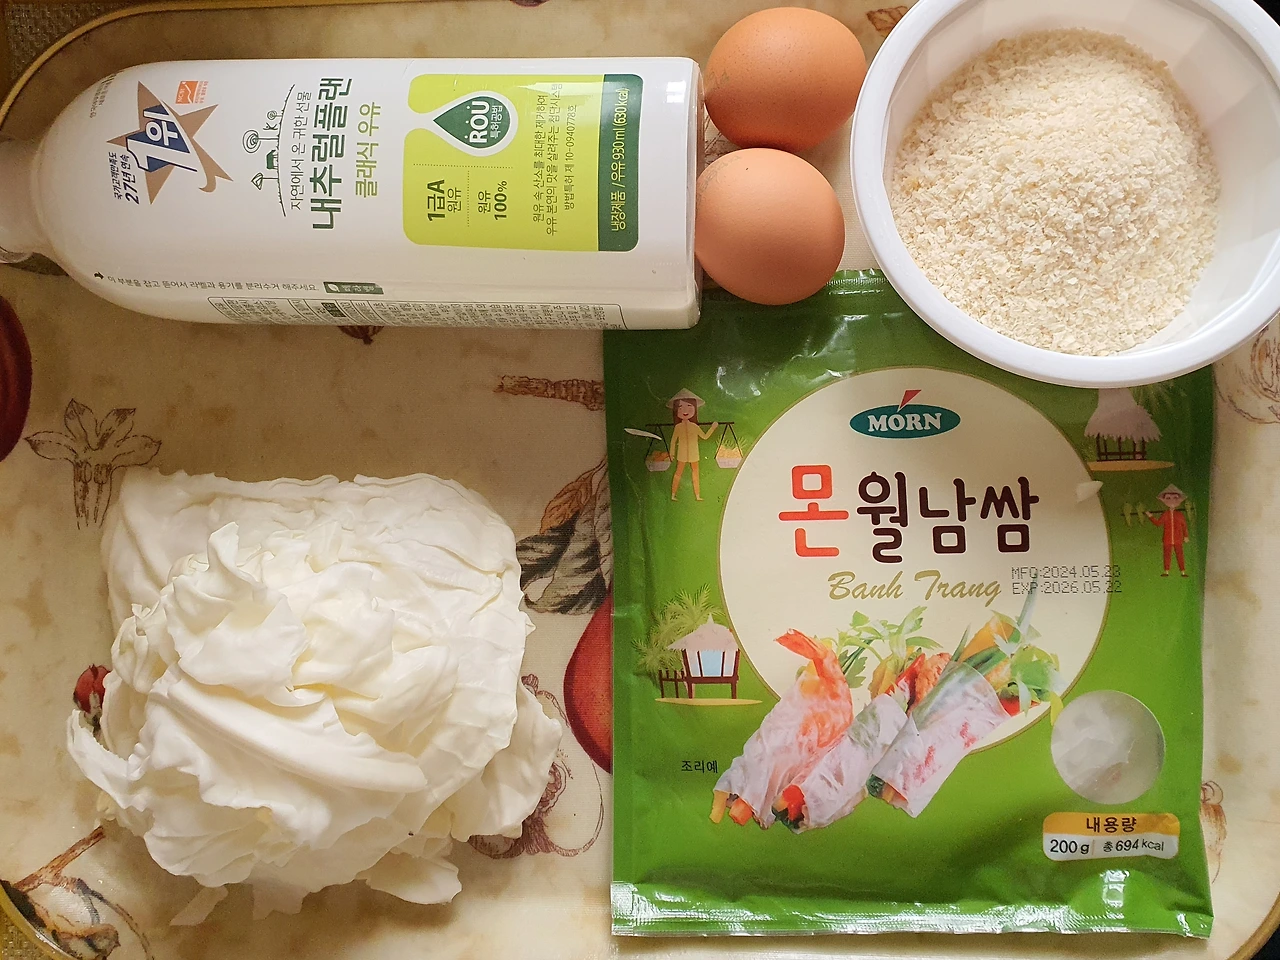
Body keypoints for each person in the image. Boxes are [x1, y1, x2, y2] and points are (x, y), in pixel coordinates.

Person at [668, 389, 718, 502]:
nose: (685, 411)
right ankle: (673, 494)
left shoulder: (694, 427)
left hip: (694, 453)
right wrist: (672, 453)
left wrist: (712, 428)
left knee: (695, 473)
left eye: (689, 406)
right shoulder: (678, 427)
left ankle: (697, 495)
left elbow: (704, 437)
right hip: (681, 454)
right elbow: (673, 441)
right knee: (678, 473)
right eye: (680, 408)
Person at [1147, 484, 1190, 577]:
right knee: (1167, 555)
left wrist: (1186, 536)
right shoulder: (1165, 514)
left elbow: (1184, 526)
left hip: (1178, 538)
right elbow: (1158, 523)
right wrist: (1150, 516)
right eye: (1168, 498)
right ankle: (1166, 571)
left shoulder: (1179, 514)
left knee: (1180, 555)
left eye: (1175, 498)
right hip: (1167, 539)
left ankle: (1183, 572)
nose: (1172, 501)